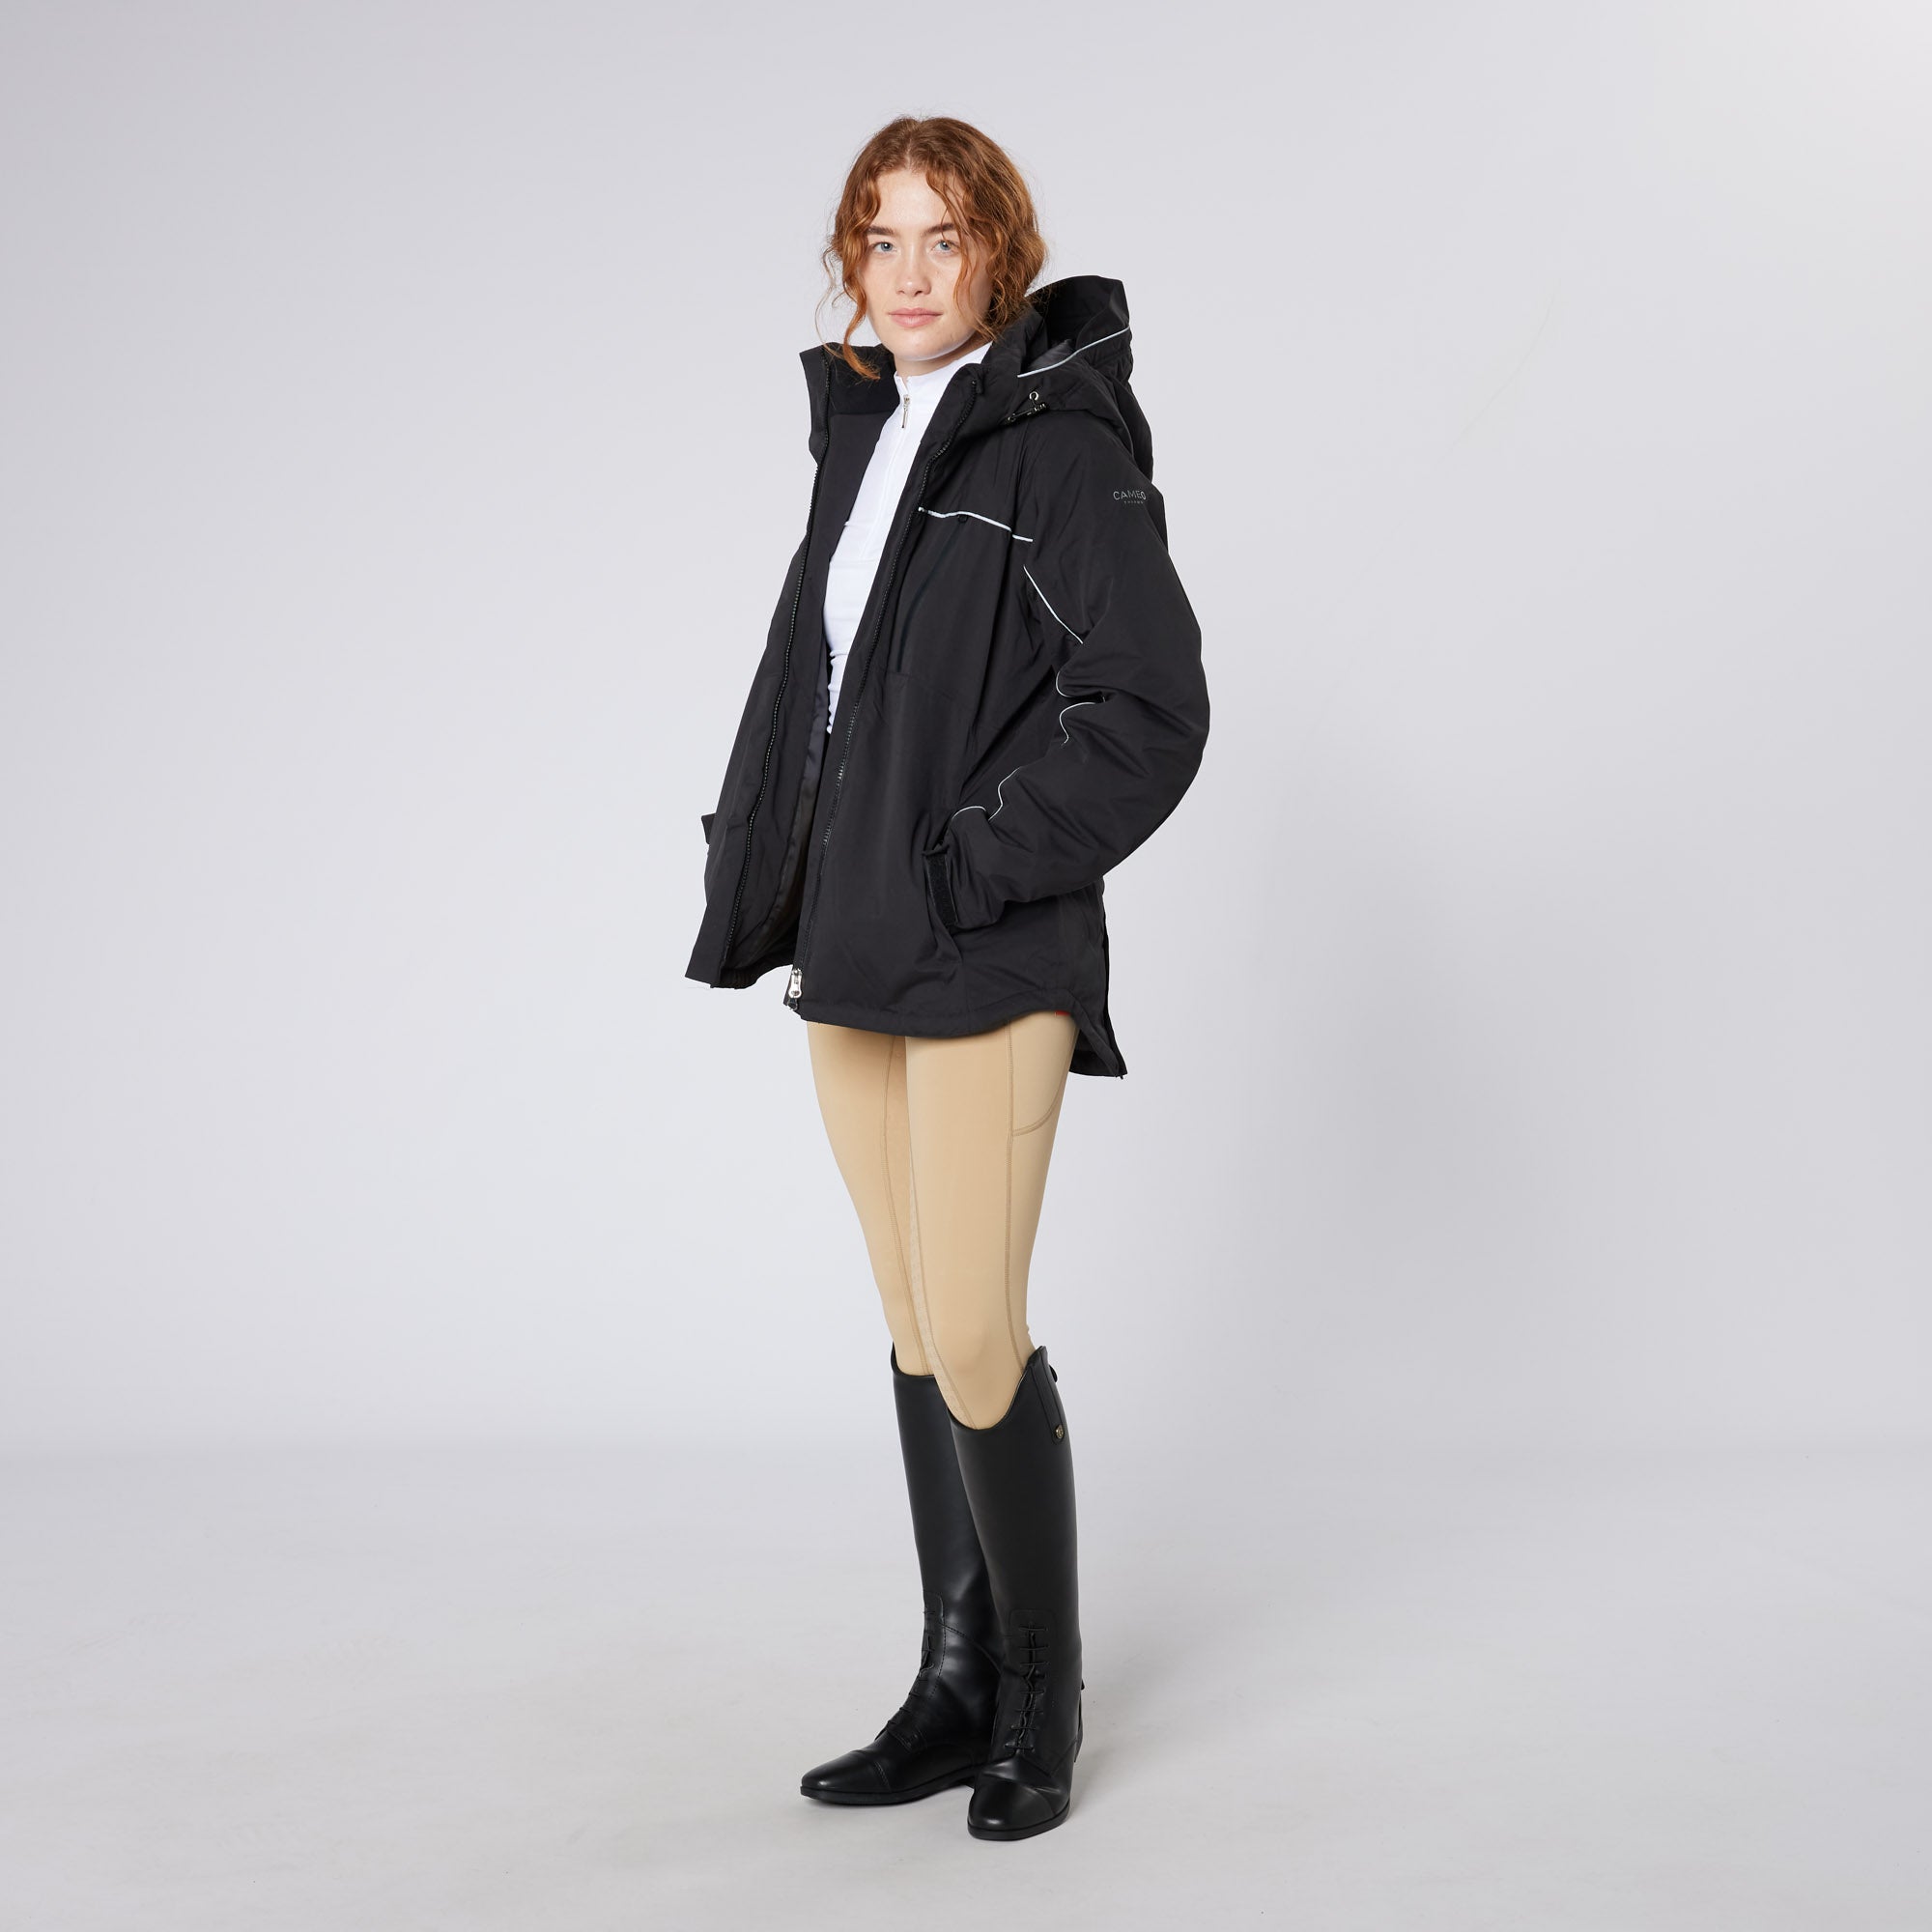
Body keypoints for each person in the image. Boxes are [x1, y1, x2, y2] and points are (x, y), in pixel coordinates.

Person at [684, 114, 1208, 1840]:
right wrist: (766, 851)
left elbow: (1150, 708)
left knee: (977, 1321)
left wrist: (965, 862)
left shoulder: (1059, 446)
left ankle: (1042, 1701)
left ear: (1001, 255)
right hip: (853, 949)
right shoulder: (864, 434)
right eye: (881, 239)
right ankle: (954, 1680)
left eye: (944, 239)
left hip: (985, 943)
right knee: (916, 1320)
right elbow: (824, 685)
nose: (909, 274)